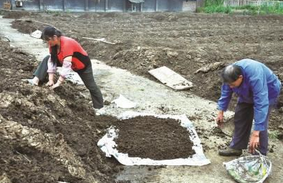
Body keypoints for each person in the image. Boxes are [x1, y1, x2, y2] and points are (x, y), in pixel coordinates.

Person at [28, 26, 104, 110]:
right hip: (63, 59)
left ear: (55, 37)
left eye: (48, 40)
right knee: (47, 58)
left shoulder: (67, 44)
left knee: (91, 86)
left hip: (82, 65)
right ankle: (36, 80)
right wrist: (51, 80)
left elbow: (66, 67)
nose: (48, 43)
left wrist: (58, 83)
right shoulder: (52, 44)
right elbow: (52, 62)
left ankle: (99, 107)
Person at [216, 59, 281, 156]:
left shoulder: (255, 76)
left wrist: (255, 134)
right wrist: (220, 111)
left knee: (261, 123)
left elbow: (261, 103)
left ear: (240, 77)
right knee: (240, 116)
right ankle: (236, 147)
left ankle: (259, 154)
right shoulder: (230, 76)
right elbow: (225, 92)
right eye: (229, 84)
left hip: (268, 91)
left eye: (233, 85)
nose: (231, 87)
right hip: (246, 91)